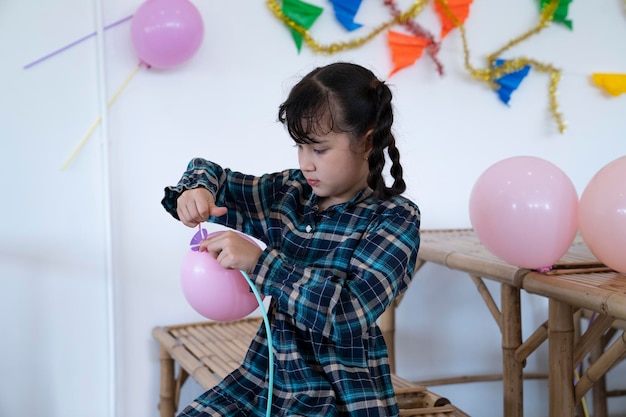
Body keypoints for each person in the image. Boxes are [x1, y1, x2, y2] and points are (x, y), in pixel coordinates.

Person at [161, 62, 421, 417]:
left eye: (319, 149)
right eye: (300, 147)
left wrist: (260, 263)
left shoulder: (393, 218)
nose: (306, 163)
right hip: (264, 380)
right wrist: (197, 190)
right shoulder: (289, 193)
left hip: (340, 395)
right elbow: (213, 174)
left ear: (368, 142)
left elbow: (348, 314)